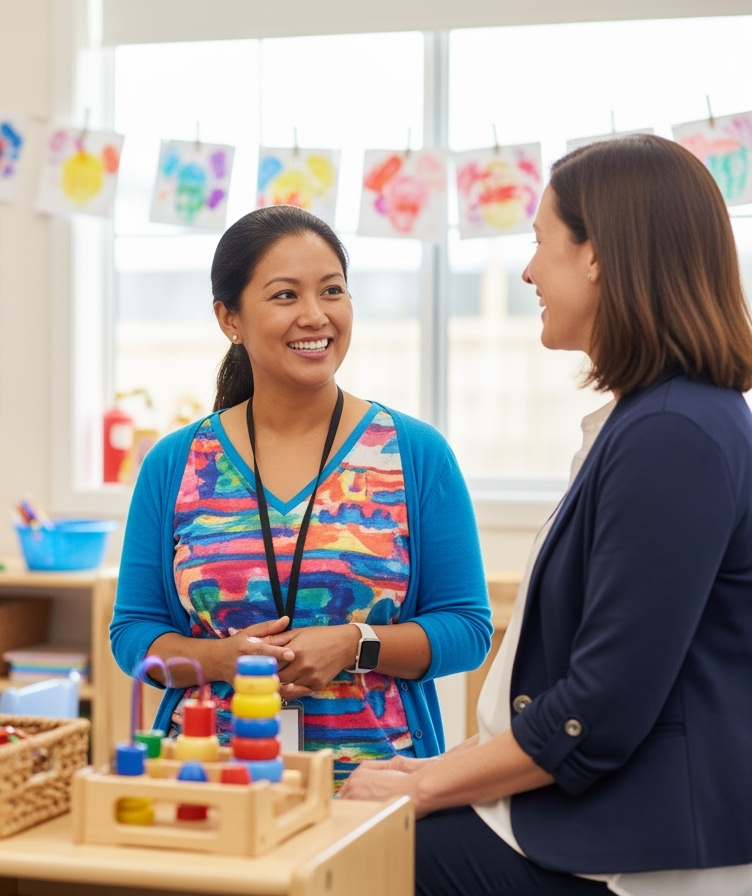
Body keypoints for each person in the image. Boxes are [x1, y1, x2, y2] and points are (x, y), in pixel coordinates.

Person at [340, 134, 752, 896]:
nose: (528, 270)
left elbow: (601, 708)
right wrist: (441, 769)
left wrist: (429, 786)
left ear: (597, 256)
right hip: (611, 815)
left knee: (361, 858)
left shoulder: (674, 434)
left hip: (646, 851)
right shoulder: (655, 420)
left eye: (540, 242)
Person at [111, 205, 492, 787]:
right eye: (285, 295)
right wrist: (220, 660)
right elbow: (133, 635)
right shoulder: (175, 463)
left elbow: (467, 631)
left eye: (332, 291)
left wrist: (356, 645)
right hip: (208, 784)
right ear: (229, 318)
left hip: (374, 790)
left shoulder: (415, 454)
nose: (315, 316)